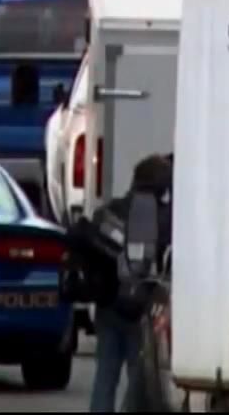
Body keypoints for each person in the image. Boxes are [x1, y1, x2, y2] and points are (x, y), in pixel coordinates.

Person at [68, 153, 174, 413]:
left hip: (108, 305)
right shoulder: (164, 217)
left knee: (105, 376)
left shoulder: (110, 210)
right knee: (140, 381)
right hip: (141, 310)